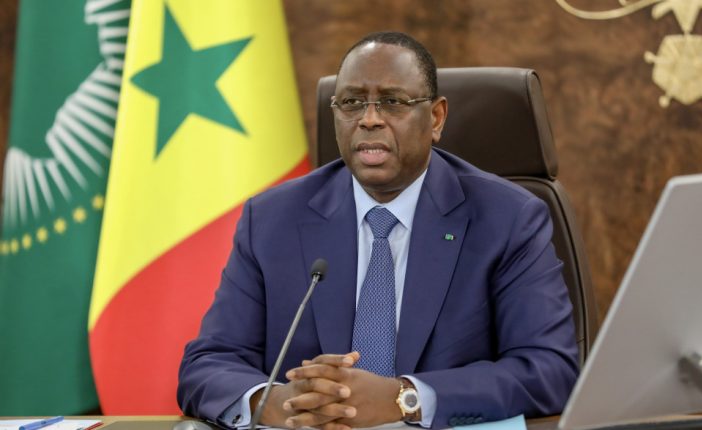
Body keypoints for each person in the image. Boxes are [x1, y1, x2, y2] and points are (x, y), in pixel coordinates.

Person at [177, 31, 578, 430]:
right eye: (352, 103)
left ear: (436, 118)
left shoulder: (508, 218)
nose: (369, 119)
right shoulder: (272, 219)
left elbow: (549, 369)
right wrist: (276, 403)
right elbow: (208, 363)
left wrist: (404, 398)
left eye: (393, 102)